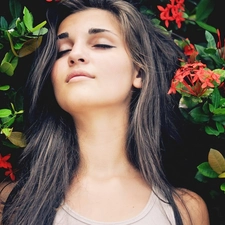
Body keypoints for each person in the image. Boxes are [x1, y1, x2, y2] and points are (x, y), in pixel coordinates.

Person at [0, 0, 209, 224]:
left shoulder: (185, 210)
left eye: (100, 44)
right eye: (62, 50)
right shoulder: (11, 204)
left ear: (138, 73)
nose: (75, 54)